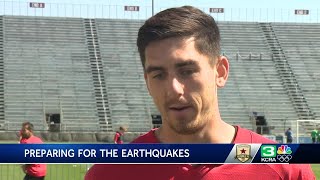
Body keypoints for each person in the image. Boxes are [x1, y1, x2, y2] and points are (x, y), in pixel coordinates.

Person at [85, 6, 315, 180]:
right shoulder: (109, 172)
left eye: (187, 71)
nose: (174, 89)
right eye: (158, 75)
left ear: (220, 71)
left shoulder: (285, 168)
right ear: (147, 81)